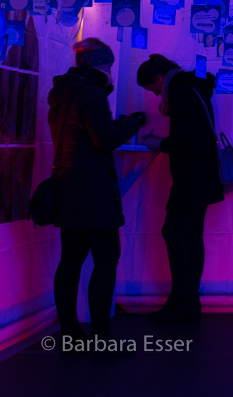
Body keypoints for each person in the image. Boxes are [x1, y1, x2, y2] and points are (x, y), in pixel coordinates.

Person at [48, 38, 146, 345]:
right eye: (109, 66)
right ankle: (102, 340)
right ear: (101, 65)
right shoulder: (90, 93)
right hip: (92, 191)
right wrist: (133, 122)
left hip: (67, 186)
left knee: (70, 261)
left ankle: (70, 334)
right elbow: (103, 139)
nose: (111, 72)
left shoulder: (64, 93)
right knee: (106, 261)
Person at [137, 54, 224, 323]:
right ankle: (187, 299)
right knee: (190, 235)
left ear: (159, 79)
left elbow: (184, 139)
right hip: (203, 175)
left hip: (191, 176)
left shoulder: (180, 92)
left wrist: (159, 144)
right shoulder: (193, 88)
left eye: (152, 89)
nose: (154, 96)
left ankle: (183, 299)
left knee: (174, 232)